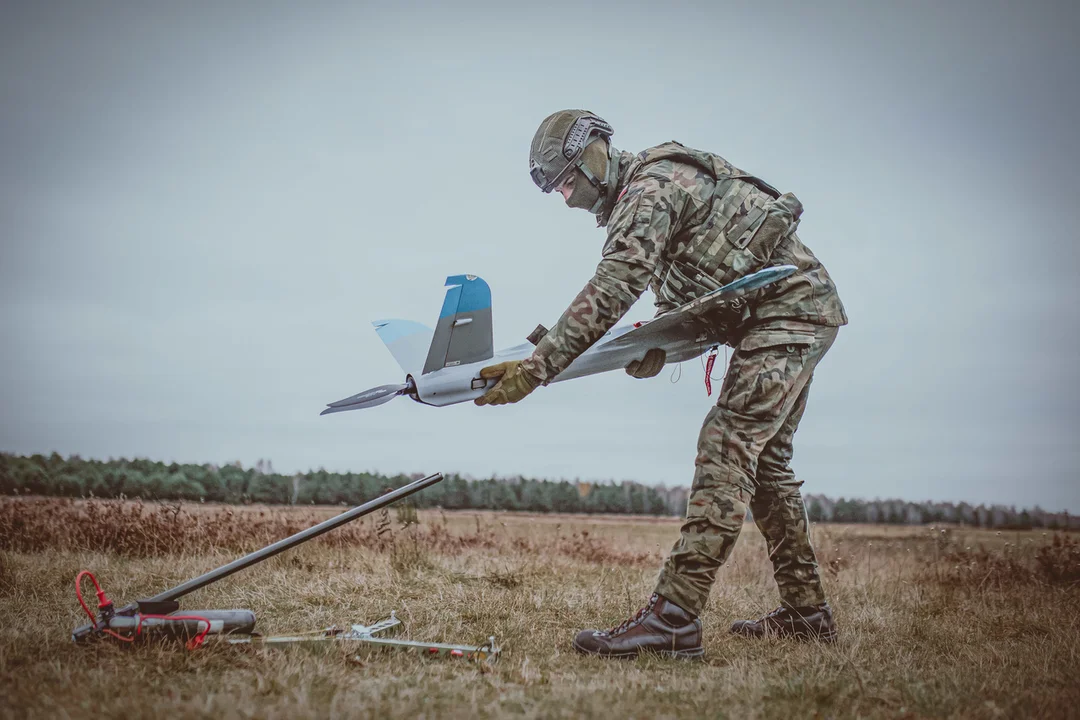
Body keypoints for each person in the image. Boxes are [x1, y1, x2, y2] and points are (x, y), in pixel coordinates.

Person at [474, 110, 848, 658]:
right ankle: (807, 614)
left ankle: (673, 619)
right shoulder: (648, 194)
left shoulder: (649, 191)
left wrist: (536, 370)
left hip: (790, 313)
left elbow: (614, 286)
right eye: (557, 188)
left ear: (597, 153)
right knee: (766, 466)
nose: (567, 196)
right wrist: (655, 348)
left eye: (570, 180)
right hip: (794, 312)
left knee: (727, 445)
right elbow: (690, 303)